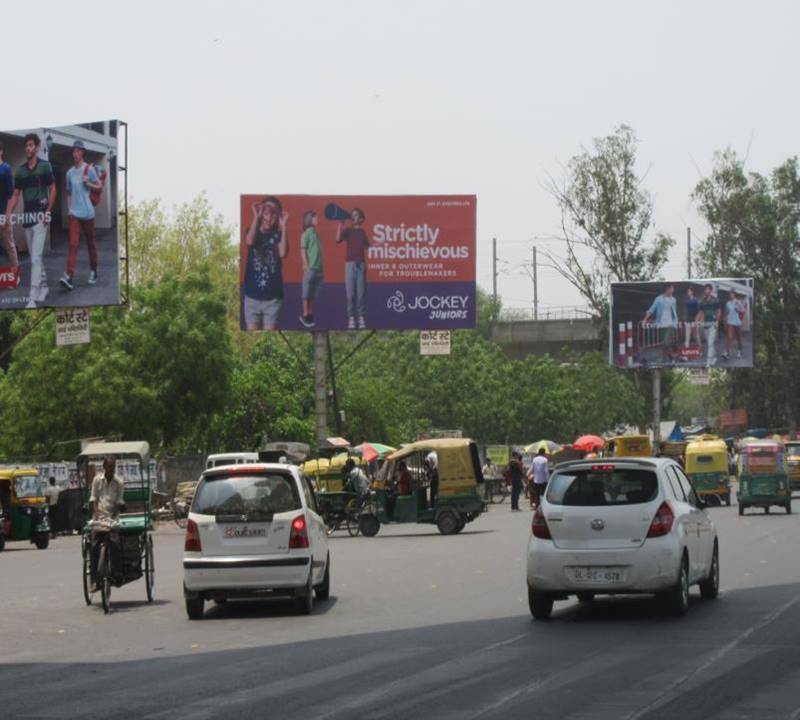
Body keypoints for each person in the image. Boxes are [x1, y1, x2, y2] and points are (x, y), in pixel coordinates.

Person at [4, 133, 56, 308]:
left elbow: (53, 189)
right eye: (26, 145)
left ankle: (32, 297)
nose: (28, 148)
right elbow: (15, 194)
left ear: (37, 147)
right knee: (36, 256)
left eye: (31, 145)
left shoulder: (45, 166)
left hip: (41, 218)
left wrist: (48, 211)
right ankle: (45, 286)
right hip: (27, 218)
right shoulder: (20, 171)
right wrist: (8, 214)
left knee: (35, 258)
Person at [59, 141, 102, 291]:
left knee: (91, 243)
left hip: (88, 214)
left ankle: (94, 270)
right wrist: (70, 209)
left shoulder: (88, 169)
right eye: (74, 151)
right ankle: (69, 276)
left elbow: (99, 186)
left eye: (78, 151)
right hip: (75, 215)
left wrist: (88, 183)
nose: (76, 154)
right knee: (73, 244)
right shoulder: (69, 173)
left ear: (82, 152)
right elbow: (69, 193)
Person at [243, 196, 288, 330]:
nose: (268, 218)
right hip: (252, 297)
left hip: (272, 300)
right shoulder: (253, 231)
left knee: (269, 337)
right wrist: (256, 217)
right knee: (252, 335)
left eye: (273, 215)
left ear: (278, 217)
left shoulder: (280, 235)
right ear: (261, 213)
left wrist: (284, 227)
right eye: (266, 213)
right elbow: (249, 241)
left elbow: (283, 253)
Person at [89, 456, 125, 591]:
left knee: (115, 542)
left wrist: (118, 508)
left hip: (112, 518)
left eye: (114, 467)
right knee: (93, 545)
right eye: (110, 466)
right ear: (104, 467)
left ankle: (117, 574)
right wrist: (98, 516)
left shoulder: (119, 482)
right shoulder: (97, 480)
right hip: (99, 517)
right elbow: (93, 500)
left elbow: (119, 501)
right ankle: (93, 580)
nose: (112, 469)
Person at [335, 208, 369, 329]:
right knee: (350, 293)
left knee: (361, 293)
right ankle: (351, 317)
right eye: (352, 215)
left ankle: (361, 317)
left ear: (361, 219)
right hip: (350, 264)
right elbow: (337, 239)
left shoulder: (362, 232)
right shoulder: (348, 231)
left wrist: (380, 243)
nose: (353, 217)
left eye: (356, 215)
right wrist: (339, 225)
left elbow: (368, 246)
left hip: (361, 265)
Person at [299, 210, 324, 328]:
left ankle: (309, 314)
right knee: (306, 292)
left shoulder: (317, 234)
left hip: (319, 269)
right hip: (311, 268)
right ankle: (305, 315)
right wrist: (306, 264)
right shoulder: (306, 234)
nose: (317, 220)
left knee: (312, 293)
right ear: (309, 219)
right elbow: (303, 249)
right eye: (315, 218)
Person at [643, 284, 678, 361]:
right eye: (672, 288)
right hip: (661, 323)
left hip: (670, 323)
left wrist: (676, 322)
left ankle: (671, 355)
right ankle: (665, 358)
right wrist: (645, 319)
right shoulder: (658, 299)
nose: (673, 290)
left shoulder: (673, 299)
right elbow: (652, 309)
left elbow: (674, 312)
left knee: (666, 341)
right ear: (667, 289)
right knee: (663, 343)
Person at [0, 142, 19, 271]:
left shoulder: (6, 169)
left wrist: (7, 214)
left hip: (3, 213)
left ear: (1, 151)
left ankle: (14, 274)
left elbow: (11, 194)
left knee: (9, 245)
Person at [698, 283, 722, 367]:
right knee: (710, 343)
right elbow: (701, 312)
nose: (706, 291)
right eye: (705, 289)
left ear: (711, 290)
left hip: (713, 324)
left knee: (710, 343)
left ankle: (708, 363)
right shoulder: (702, 301)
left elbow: (719, 311)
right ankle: (714, 357)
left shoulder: (715, 300)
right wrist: (700, 321)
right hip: (705, 325)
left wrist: (716, 322)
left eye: (707, 289)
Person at [722, 291, 743, 361]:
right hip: (730, 322)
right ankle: (727, 353)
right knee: (729, 337)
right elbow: (727, 312)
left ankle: (739, 352)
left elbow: (743, 310)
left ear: (734, 295)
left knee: (738, 338)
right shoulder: (727, 303)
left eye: (732, 294)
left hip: (737, 323)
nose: (731, 295)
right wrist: (726, 320)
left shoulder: (738, 302)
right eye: (730, 294)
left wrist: (738, 310)